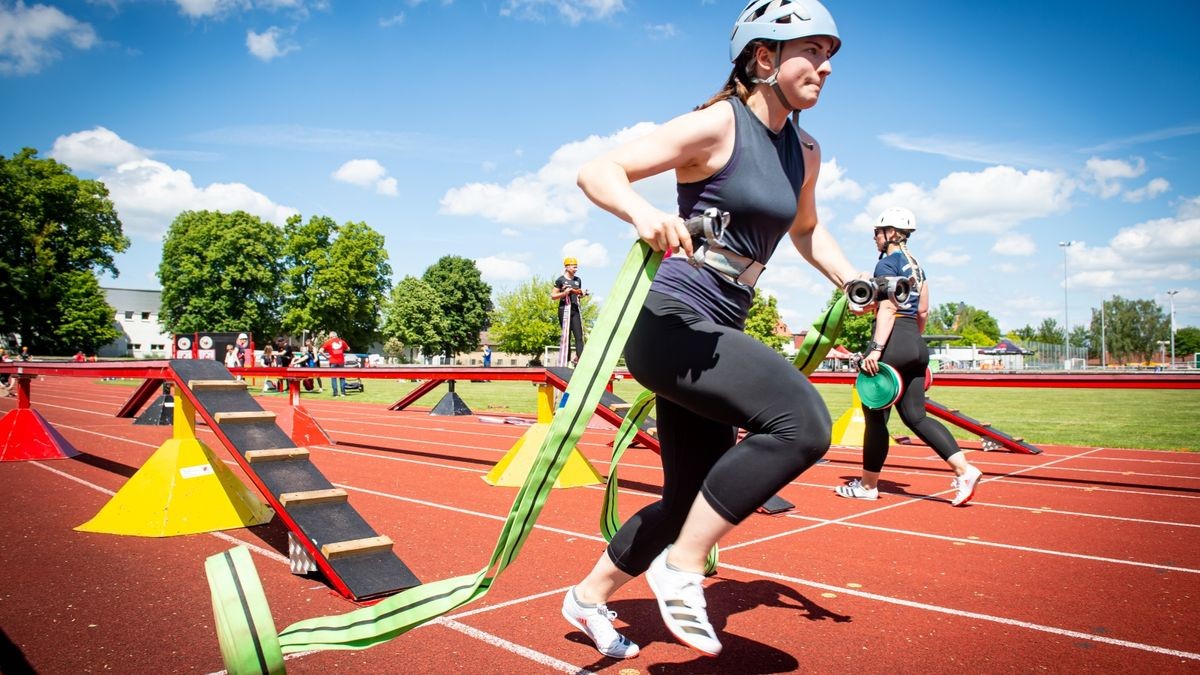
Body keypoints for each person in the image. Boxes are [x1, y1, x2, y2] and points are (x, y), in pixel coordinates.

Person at [562, 0, 864, 659]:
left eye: (830, 54)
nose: (826, 66)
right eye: (810, 51)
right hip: (672, 322)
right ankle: (682, 566)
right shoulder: (717, 125)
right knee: (803, 423)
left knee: (687, 499)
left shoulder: (806, 151)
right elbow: (598, 170)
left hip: (720, 323)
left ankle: (587, 596)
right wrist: (644, 215)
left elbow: (808, 232)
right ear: (764, 58)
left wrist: (850, 279)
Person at [835, 207, 984, 506]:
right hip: (915, 342)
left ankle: (868, 486)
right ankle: (964, 470)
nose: (874, 238)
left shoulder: (887, 264)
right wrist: (911, 343)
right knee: (916, 416)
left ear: (890, 233)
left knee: (874, 417)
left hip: (892, 342)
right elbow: (923, 310)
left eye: (877, 232)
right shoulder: (917, 267)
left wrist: (877, 349)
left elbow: (888, 309)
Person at [551, 257, 588, 365]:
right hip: (564, 310)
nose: (576, 269)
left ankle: (581, 362)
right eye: (573, 266)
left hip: (575, 310)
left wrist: (583, 295)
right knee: (567, 337)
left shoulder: (578, 280)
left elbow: (577, 295)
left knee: (579, 336)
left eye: (576, 267)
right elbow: (553, 296)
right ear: (567, 267)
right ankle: (565, 363)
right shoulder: (560, 280)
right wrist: (564, 293)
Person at [321, 331, 350, 397]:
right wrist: (342, 349)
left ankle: (335, 394)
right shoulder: (341, 341)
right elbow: (348, 349)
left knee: (333, 378)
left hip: (333, 361)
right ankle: (343, 393)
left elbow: (320, 351)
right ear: (336, 336)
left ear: (330, 336)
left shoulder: (328, 342)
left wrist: (326, 357)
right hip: (341, 362)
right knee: (342, 377)